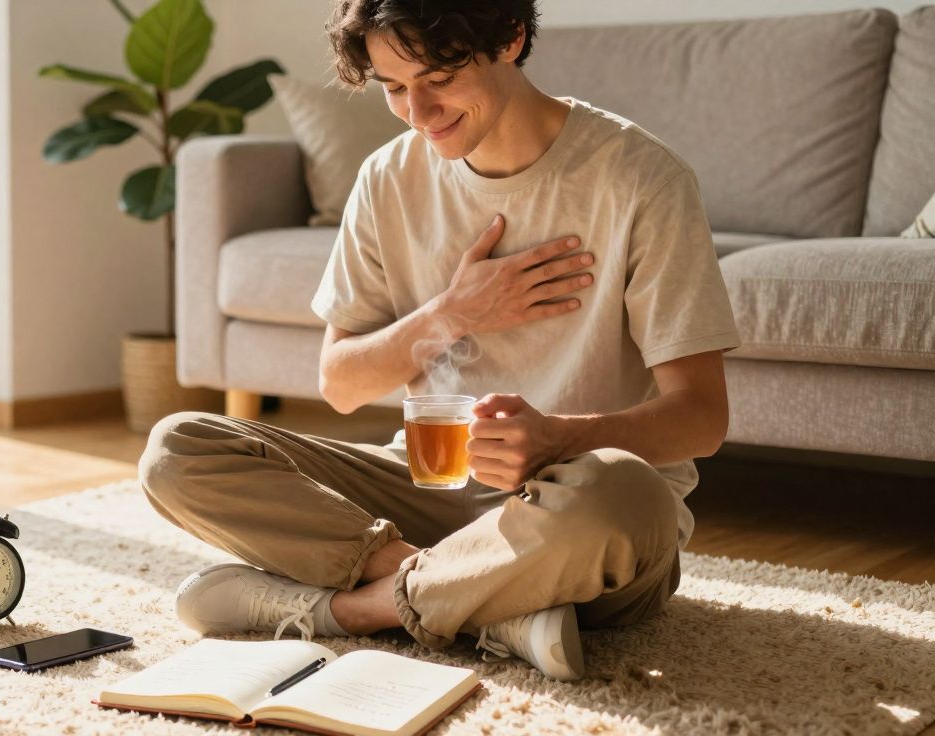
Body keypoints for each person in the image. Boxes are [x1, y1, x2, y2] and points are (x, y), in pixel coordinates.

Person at [139, 0, 740, 681]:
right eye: (394, 87)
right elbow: (341, 383)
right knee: (176, 450)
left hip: (574, 516)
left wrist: (556, 440)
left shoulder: (643, 178)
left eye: (439, 79)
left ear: (510, 38)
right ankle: (480, 600)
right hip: (428, 491)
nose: (418, 113)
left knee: (625, 491)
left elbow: (702, 418)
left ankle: (354, 610)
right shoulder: (387, 178)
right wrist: (451, 313)